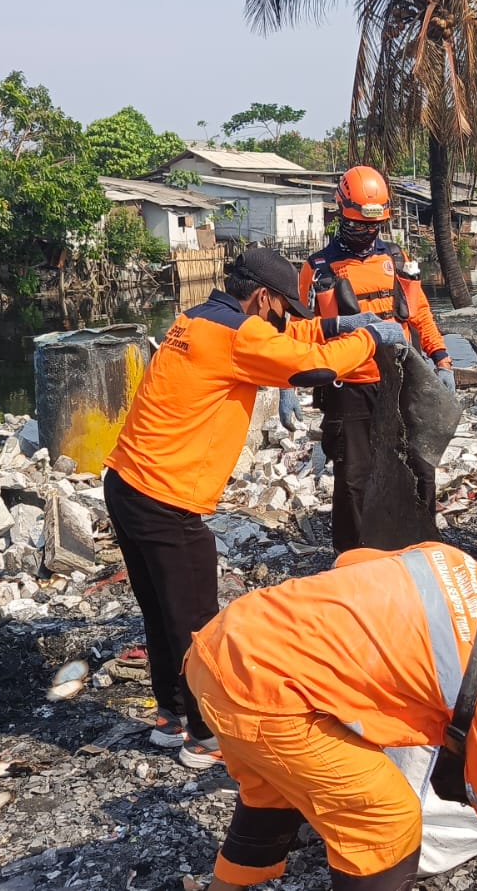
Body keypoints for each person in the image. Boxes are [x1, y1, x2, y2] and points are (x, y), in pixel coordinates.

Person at [184, 542, 477, 890]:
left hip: (224, 643)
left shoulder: (453, 562)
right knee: (389, 819)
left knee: (274, 790)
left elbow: (353, 560)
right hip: (264, 694)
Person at [104, 248, 404, 769]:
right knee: (197, 622)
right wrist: (369, 338)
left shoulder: (197, 319)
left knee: (161, 611)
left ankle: (172, 717)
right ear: (262, 297)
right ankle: (205, 735)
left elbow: (290, 339)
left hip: (126, 484)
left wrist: (338, 324)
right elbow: (310, 366)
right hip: (164, 498)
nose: (286, 317)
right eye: (282, 306)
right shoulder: (239, 336)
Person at [296, 165, 457, 553]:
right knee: (354, 477)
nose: (367, 233)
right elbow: (300, 332)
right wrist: (290, 381)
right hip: (349, 387)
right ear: (341, 214)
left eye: (374, 226)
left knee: (420, 465)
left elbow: (419, 315)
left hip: (400, 380)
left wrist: (442, 358)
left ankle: (419, 543)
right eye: (358, 225)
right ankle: (350, 555)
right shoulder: (318, 270)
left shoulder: (396, 259)